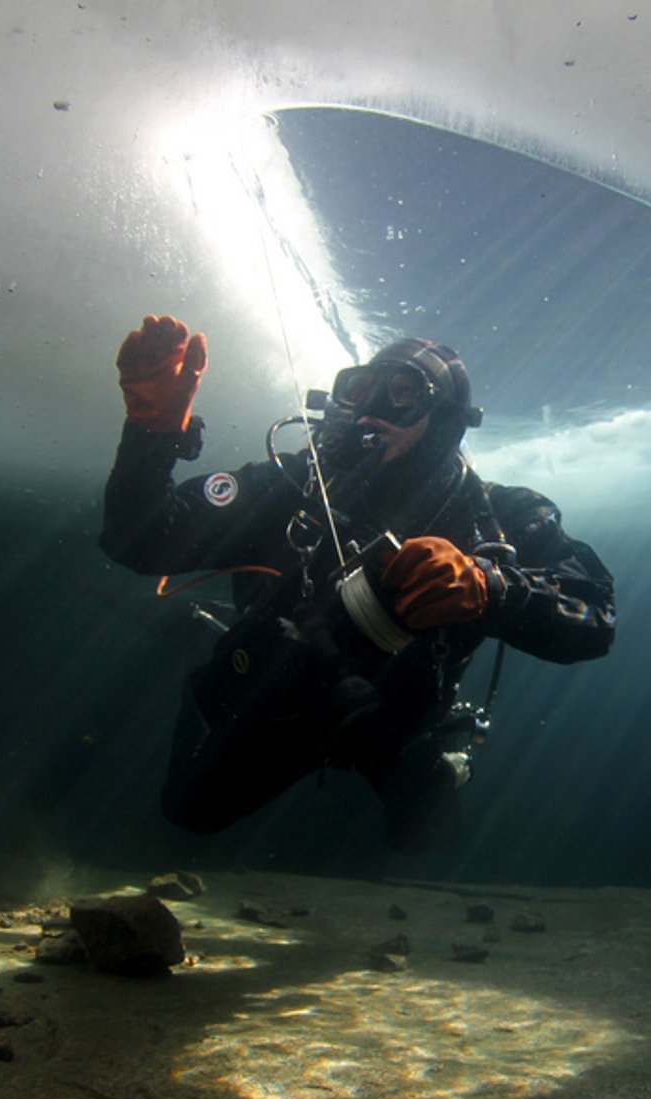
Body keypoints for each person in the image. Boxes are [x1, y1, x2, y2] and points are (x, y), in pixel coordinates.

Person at [100, 315, 616, 851]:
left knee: (424, 839)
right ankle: (205, 644)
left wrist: (490, 587)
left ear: (442, 420)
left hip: (399, 727)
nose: (372, 407)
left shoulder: (500, 515)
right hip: (288, 704)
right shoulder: (295, 485)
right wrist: (151, 435)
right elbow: (141, 542)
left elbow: (597, 615)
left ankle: (429, 767)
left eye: (403, 394)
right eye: (361, 388)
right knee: (188, 810)